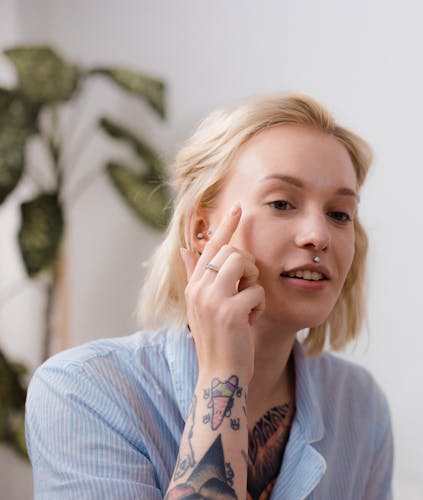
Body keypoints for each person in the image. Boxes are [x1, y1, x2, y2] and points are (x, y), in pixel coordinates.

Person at [25, 93, 393, 499]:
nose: (318, 236)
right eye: (282, 203)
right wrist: (224, 374)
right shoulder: (83, 392)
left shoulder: (360, 408)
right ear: (202, 230)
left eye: (339, 214)